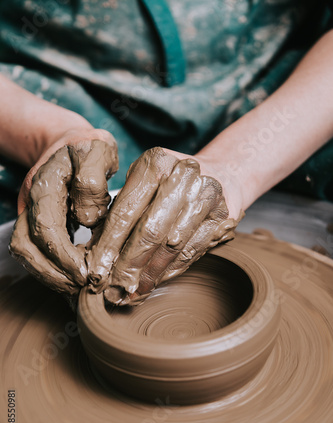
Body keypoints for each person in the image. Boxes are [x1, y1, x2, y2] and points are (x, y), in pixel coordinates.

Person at [1, 0, 333, 303]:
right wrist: (46, 134)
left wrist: (238, 165)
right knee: (35, 223)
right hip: (50, 98)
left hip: (281, 87)